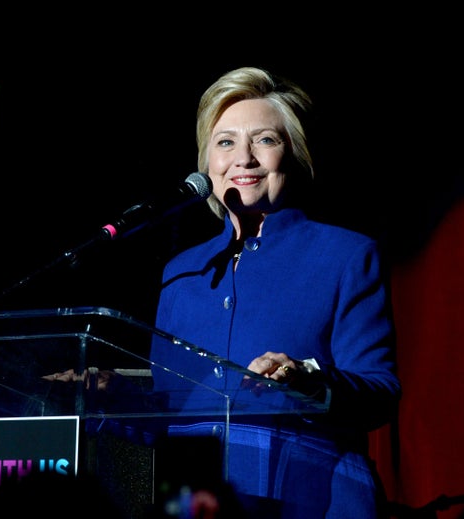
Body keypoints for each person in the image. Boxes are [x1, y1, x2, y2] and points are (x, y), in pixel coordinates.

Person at [146, 66, 401, 518]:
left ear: (295, 156)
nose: (242, 158)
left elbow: (379, 394)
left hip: (312, 499)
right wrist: (103, 392)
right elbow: (166, 407)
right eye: (225, 142)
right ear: (206, 163)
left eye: (264, 140)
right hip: (192, 503)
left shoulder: (344, 255)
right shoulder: (180, 273)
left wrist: (306, 378)